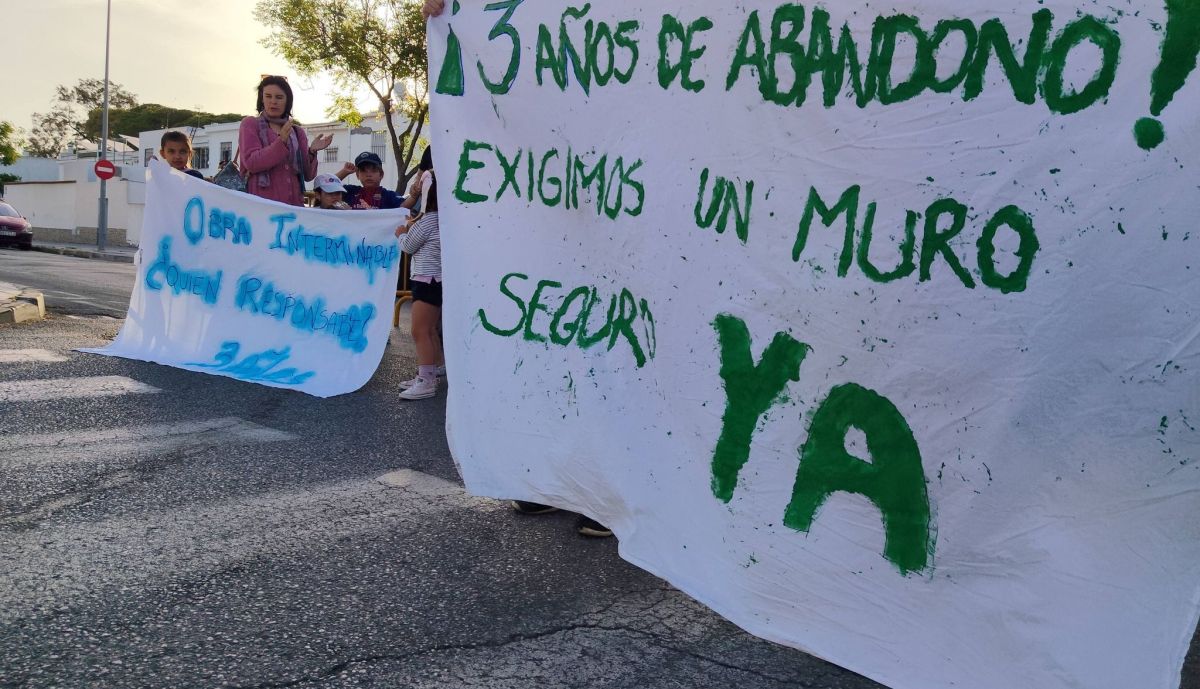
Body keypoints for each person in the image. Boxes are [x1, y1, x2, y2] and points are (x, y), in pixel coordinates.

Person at [395, 149, 444, 401]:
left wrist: (401, 232)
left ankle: (426, 381)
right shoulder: (444, 221)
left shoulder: (426, 221)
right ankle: (432, 371)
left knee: (419, 331)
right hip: (438, 281)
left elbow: (408, 246)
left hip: (426, 281)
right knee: (432, 330)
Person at [238, 76, 333, 206]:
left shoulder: (297, 131)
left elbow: (308, 175)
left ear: (287, 101)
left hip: (293, 206)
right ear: (262, 99)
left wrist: (312, 151)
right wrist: (281, 142)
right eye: (268, 96)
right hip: (260, 205)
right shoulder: (250, 124)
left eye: (279, 97)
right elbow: (251, 162)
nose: (273, 101)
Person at [334, 152, 405, 209]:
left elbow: (404, 207)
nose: (368, 175)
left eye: (373, 170)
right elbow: (327, 187)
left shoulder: (389, 196)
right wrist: (344, 172)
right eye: (363, 171)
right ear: (357, 175)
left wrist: (414, 196)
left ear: (381, 175)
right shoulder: (350, 192)